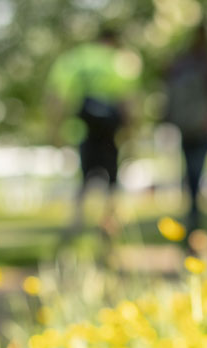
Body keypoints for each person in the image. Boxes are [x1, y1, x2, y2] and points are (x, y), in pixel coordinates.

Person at [47, 26, 138, 234]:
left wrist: (55, 129)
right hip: (110, 131)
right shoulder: (118, 61)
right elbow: (128, 100)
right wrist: (131, 132)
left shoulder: (76, 59)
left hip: (82, 129)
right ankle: (110, 223)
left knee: (84, 175)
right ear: (113, 41)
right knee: (112, 177)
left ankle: (77, 223)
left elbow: (57, 97)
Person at [163, 23, 207, 235]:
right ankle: (195, 221)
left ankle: (193, 219)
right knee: (197, 172)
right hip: (202, 126)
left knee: (192, 173)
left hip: (185, 125)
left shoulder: (181, 64)